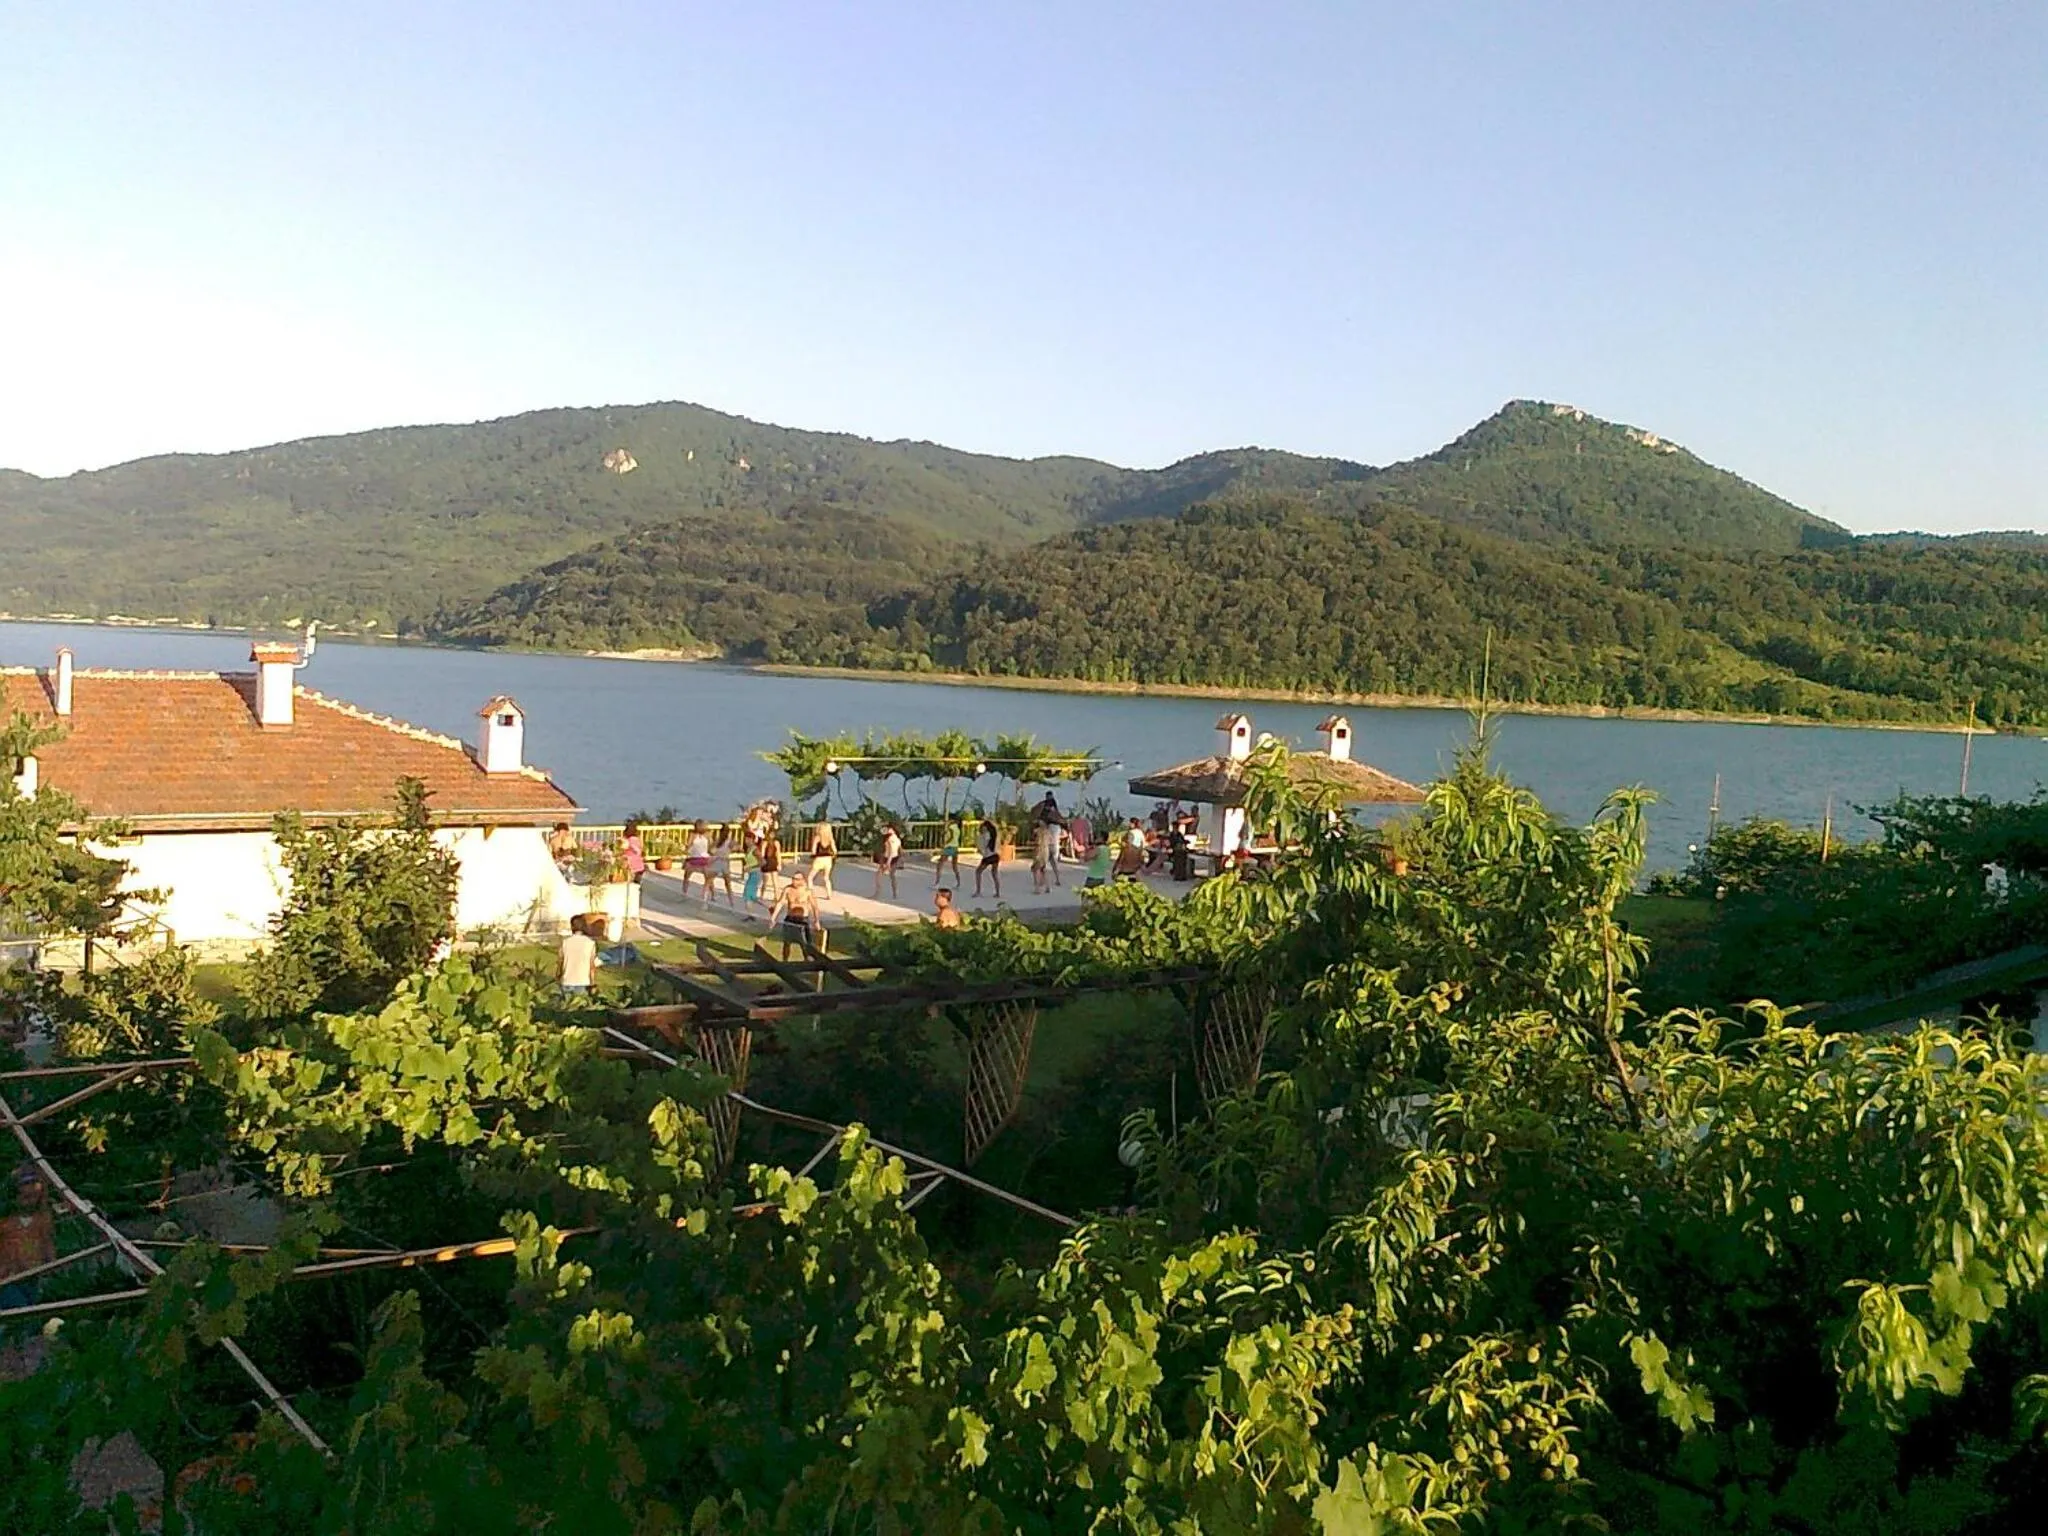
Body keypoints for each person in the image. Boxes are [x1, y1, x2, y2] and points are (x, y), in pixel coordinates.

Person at [0, 1164, 57, 1312]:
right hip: (7, 1278)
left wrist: (51, 1266)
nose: (29, 1201)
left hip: (33, 1276)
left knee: (32, 1311)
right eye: (25, 1197)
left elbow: (47, 1243)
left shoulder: (42, 1220)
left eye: (34, 1197)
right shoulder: (5, 1222)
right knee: (20, 1310)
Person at [767, 875, 824, 960]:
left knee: (805, 944)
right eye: (793, 879)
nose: (794, 881)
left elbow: (815, 907)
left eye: (796, 879)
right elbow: (780, 903)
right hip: (790, 919)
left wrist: (816, 921)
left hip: (802, 920)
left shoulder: (808, 891)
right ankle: (785, 962)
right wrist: (773, 918)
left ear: (803, 881)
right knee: (787, 942)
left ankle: (807, 962)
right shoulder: (788, 889)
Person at [558, 914, 598, 996]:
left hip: (567, 981)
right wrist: (592, 983)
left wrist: (558, 976)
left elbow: (560, 962)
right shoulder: (590, 943)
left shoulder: (565, 942)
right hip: (583, 981)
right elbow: (592, 966)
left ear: (572, 927)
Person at [708, 823, 739, 908]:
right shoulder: (730, 841)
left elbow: (710, 850)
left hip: (717, 861)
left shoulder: (718, 840)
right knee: (728, 884)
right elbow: (737, 848)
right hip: (725, 862)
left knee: (709, 880)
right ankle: (731, 902)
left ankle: (708, 897)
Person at [683, 820, 714, 902]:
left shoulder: (703, 835)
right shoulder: (697, 835)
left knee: (707, 877)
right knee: (687, 876)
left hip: (700, 858)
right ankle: (684, 893)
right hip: (699, 858)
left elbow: (711, 846)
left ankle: (684, 893)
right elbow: (688, 846)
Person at [972, 816, 1002, 899]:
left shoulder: (986, 835)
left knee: (978, 872)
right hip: (996, 855)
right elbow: (996, 826)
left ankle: (978, 891)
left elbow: (983, 846)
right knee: (994, 874)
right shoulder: (995, 834)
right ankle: (997, 892)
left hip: (988, 856)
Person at [873, 822, 904, 900]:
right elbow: (900, 850)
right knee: (892, 876)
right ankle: (895, 893)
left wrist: (888, 862)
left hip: (888, 858)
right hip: (895, 857)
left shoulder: (890, 839)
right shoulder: (897, 838)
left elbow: (891, 851)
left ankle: (877, 893)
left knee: (879, 875)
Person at [807, 821, 837, 899]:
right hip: (828, 859)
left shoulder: (818, 837)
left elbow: (813, 850)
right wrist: (833, 856)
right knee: (826, 877)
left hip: (819, 858)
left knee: (810, 877)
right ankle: (829, 894)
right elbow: (835, 851)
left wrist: (812, 856)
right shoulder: (830, 839)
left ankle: (810, 893)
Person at [934, 816, 963, 888]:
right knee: (954, 866)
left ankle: (937, 883)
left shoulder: (952, 827)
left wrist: (945, 843)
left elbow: (951, 837)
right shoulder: (958, 828)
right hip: (955, 847)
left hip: (949, 847)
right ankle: (958, 882)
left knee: (940, 865)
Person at [620, 820, 647, 884]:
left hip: (632, 863)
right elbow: (639, 850)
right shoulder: (637, 839)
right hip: (638, 863)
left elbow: (635, 850)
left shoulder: (629, 840)